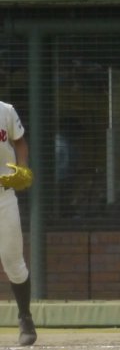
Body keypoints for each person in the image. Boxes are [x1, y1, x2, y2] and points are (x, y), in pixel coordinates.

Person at [0, 101, 36, 346]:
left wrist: (22, 167)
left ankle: (25, 317)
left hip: (3, 194)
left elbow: (20, 141)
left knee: (13, 261)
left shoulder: (5, 110)